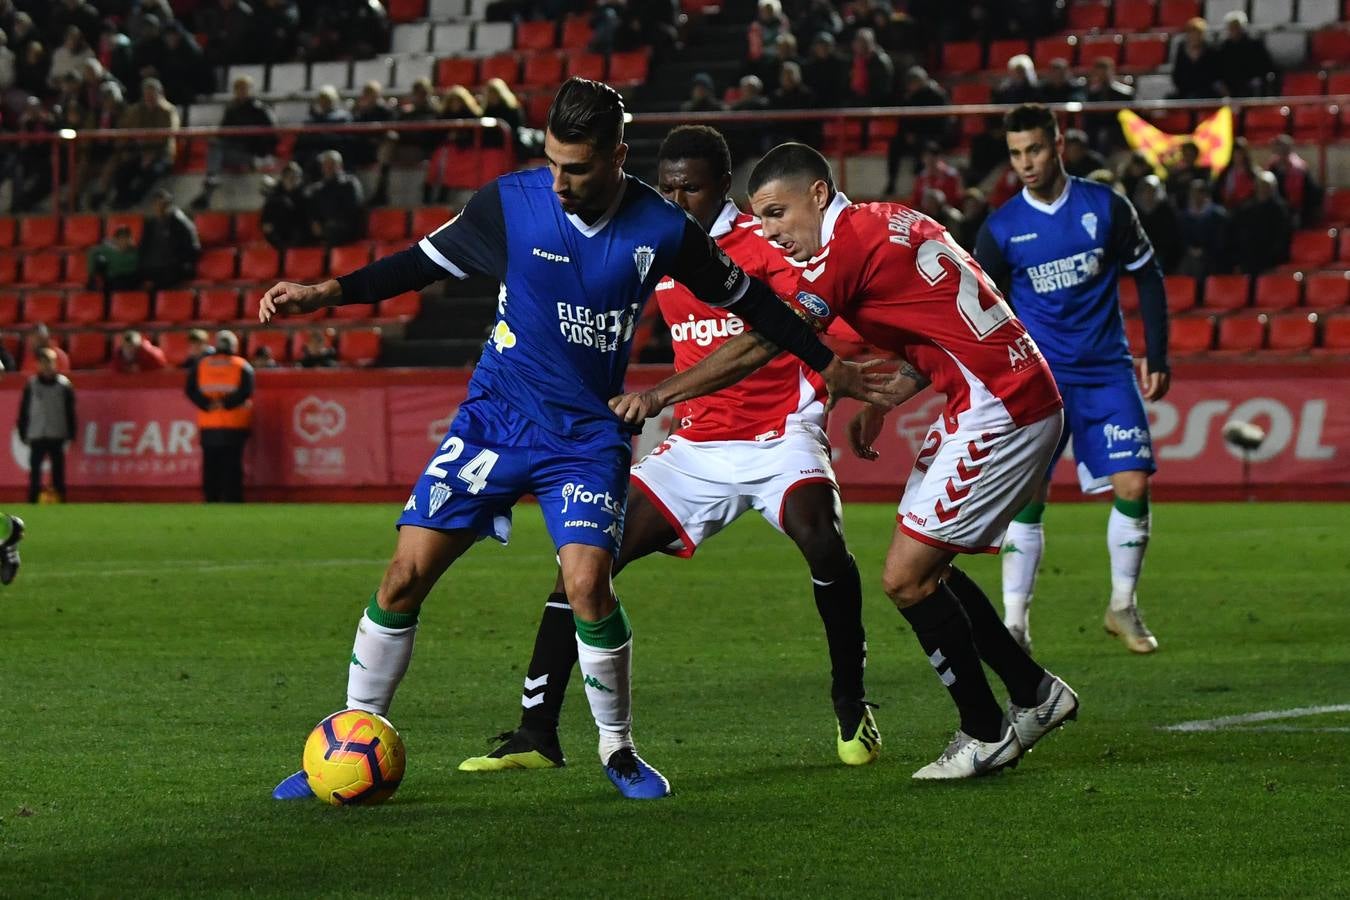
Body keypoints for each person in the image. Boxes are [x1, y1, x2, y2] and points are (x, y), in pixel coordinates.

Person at [255, 77, 895, 802]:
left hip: (585, 436)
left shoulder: (660, 227)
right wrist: (325, 293)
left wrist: (833, 367)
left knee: (589, 583)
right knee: (403, 577)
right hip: (495, 419)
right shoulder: (512, 202)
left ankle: (617, 750)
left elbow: (758, 307)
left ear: (618, 155)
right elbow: (417, 265)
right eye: (553, 162)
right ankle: (350, 736)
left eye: (579, 167)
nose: (560, 181)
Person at [612, 141, 1077, 780]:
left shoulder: (840, 252)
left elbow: (764, 340)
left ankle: (983, 729)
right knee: (928, 565)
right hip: (991, 390)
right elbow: (946, 318)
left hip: (1001, 406)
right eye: (760, 218)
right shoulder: (894, 219)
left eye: (777, 214)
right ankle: (1033, 692)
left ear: (819, 194)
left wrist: (659, 394)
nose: (770, 232)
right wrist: (894, 392)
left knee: (906, 579)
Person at [460, 125, 878, 774]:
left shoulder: (764, 245)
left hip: (780, 434)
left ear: (723, 185)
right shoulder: (654, 247)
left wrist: (870, 394)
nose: (679, 199)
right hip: (698, 447)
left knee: (820, 537)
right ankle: (535, 732)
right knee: (587, 562)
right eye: (670, 187)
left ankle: (851, 702)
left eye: (694, 188)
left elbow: (840, 324)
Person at [973, 104, 1170, 657]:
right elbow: (976, 306)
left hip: (1107, 368)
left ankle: (1122, 605)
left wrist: (1158, 353)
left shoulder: (1105, 206)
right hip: (1041, 377)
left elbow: (1147, 277)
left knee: (1134, 484)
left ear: (1058, 143)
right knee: (1029, 498)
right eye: (1015, 154)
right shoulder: (1003, 227)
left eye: (1034, 149)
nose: (1025, 163)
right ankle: (1015, 624)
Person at [191, 74, 277, 210]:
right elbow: (222, 133)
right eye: (237, 88)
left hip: (251, 155)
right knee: (214, 146)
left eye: (244, 88)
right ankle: (211, 179)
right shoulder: (231, 110)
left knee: (216, 150)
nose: (241, 91)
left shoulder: (260, 110)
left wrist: (261, 156)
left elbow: (272, 136)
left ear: (250, 89)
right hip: (233, 152)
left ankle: (210, 183)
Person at [186, 330, 253, 503]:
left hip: (209, 423)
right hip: (235, 423)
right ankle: (233, 499)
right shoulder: (241, 365)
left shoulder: (202, 364)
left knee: (211, 466)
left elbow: (190, 390)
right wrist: (226, 404)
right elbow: (246, 392)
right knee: (232, 466)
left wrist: (208, 404)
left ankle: (211, 499)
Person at [19, 347, 76, 504]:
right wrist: (23, 431)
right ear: (38, 364)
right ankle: (33, 500)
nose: (46, 366)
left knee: (58, 472)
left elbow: (70, 411)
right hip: (37, 433)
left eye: (49, 362)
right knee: (35, 472)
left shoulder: (63, 385)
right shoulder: (32, 385)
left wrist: (71, 433)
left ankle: (60, 499)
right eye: (43, 362)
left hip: (57, 433)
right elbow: (24, 410)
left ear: (55, 363)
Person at [111, 76, 179, 209]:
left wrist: (151, 155)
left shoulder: (168, 111)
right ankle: (120, 200)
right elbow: (127, 128)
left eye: (152, 95)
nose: (149, 98)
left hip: (161, 154)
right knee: (123, 170)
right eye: (146, 95)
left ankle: (134, 200)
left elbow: (168, 135)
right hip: (140, 152)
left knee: (152, 172)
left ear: (159, 94)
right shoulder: (136, 110)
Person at [139, 189, 201, 289]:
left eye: (164, 204)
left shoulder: (179, 222)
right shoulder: (150, 224)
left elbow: (192, 244)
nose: (161, 207)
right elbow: (144, 249)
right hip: (153, 268)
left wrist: (187, 261)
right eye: (158, 204)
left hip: (174, 266)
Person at [304, 150, 365, 246]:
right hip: (324, 228)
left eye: (331, 164)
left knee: (333, 231)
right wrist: (315, 222)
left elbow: (353, 209)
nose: (328, 167)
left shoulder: (349, 183)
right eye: (325, 164)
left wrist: (331, 222)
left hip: (345, 227)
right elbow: (313, 209)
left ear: (340, 165)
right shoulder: (317, 188)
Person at [1216, 10, 1276, 98]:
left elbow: (1266, 67)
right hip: (1230, 88)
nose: (1234, 30)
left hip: (1252, 87)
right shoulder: (1222, 48)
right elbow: (1218, 72)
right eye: (1231, 27)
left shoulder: (1255, 45)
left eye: (1237, 26)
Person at [260, 162, 308, 250]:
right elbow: (266, 219)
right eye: (288, 176)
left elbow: (305, 219)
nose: (291, 180)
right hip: (278, 235)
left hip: (299, 235)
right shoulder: (274, 196)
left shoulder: (305, 195)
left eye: (295, 177)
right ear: (283, 178)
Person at [1171, 17, 1222, 100]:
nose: (1194, 36)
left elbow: (1214, 75)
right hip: (1185, 91)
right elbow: (1177, 74)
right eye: (1191, 33)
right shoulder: (1181, 50)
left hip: (1206, 92)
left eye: (1198, 33)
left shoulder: (1211, 50)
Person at [86, 224, 140, 293]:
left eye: (126, 238)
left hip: (130, 279)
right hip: (114, 280)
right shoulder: (106, 249)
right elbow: (91, 252)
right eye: (121, 238)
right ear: (115, 239)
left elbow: (136, 267)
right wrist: (91, 273)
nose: (123, 241)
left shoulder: (135, 251)